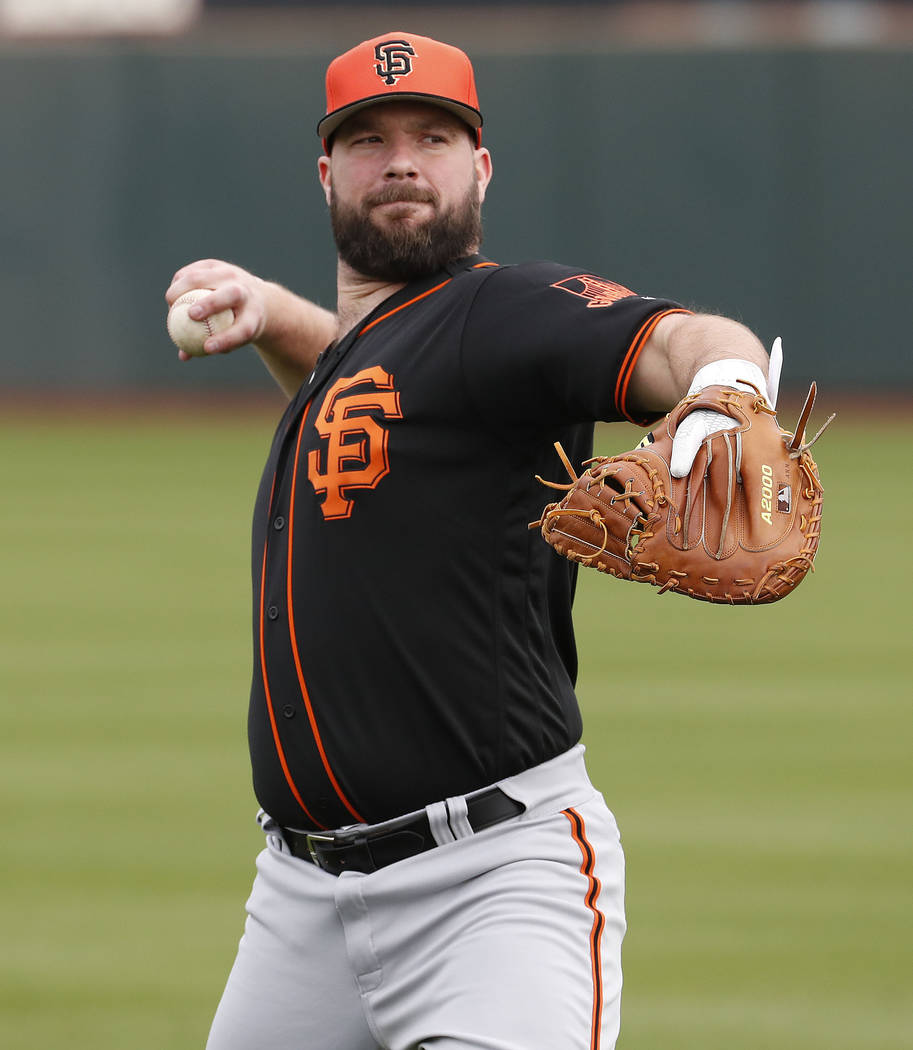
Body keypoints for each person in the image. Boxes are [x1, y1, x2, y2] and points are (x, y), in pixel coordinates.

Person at [166, 31, 773, 1050]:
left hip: (490, 886)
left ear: (479, 166)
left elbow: (682, 340)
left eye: (434, 134)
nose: (401, 157)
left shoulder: (506, 312)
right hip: (297, 907)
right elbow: (366, 396)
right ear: (326, 174)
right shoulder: (372, 356)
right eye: (369, 138)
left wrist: (727, 390)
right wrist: (271, 313)